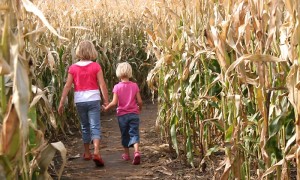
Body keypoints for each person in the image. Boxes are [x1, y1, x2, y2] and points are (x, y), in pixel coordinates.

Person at [58, 40, 109, 167]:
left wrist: (61, 102)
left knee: (85, 126)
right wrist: (106, 100)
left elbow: (67, 86)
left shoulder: (73, 68)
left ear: (78, 51)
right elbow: (102, 84)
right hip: (93, 99)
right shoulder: (96, 66)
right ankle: (96, 151)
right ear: (92, 51)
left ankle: (87, 152)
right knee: (95, 126)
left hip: (80, 101)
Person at [102, 62, 143, 165]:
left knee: (125, 134)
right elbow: (140, 101)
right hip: (134, 114)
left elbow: (114, 102)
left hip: (122, 116)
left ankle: (127, 154)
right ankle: (137, 152)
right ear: (130, 72)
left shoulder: (117, 87)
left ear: (118, 73)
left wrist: (107, 108)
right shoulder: (134, 85)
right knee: (134, 133)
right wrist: (140, 108)